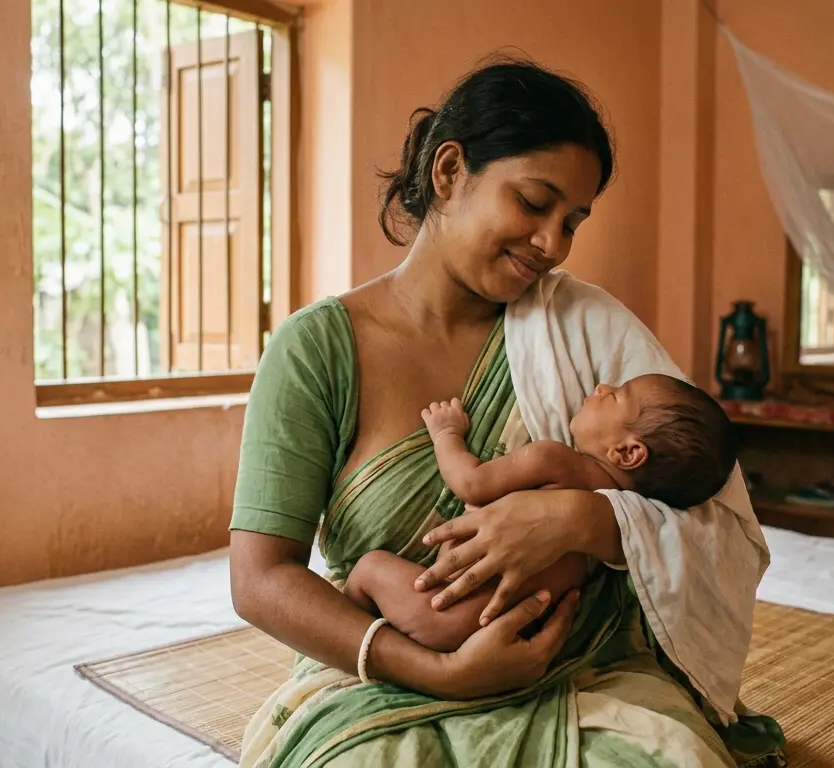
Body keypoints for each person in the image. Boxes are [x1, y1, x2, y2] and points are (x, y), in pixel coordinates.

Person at [228, 55, 786, 768]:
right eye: (533, 202)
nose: (553, 244)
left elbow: (721, 523)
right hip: (383, 669)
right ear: (450, 171)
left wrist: (590, 520)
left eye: (573, 221)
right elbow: (261, 578)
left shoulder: (583, 326)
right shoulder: (317, 351)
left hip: (585, 670)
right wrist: (437, 672)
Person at [343, 374, 738, 653]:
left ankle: (350, 627)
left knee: (368, 567)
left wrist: (446, 435)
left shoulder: (555, 460)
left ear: (628, 452)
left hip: (444, 614)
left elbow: (472, 483)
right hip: (511, 634)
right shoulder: (620, 530)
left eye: (616, 395)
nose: (601, 387)